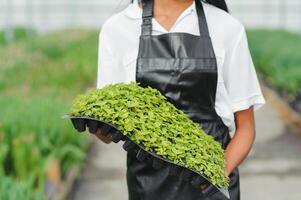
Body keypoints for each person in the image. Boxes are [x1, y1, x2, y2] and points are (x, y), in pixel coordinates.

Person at [95, 0, 266, 199]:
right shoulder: (117, 29)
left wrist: (215, 176)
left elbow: (246, 128)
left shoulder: (226, 27)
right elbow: (106, 126)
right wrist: (101, 128)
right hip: (148, 185)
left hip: (212, 186)